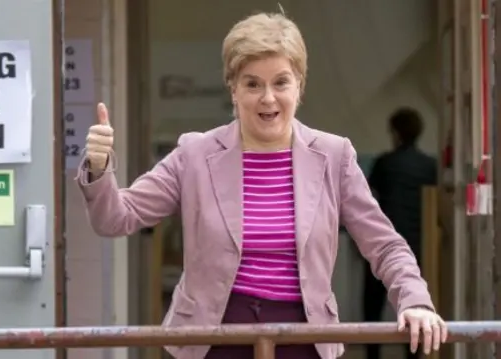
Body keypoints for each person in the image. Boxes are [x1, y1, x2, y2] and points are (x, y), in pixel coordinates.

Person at [78, 11, 447, 359]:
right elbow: (115, 219)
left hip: (304, 342)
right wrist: (98, 166)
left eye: (280, 82)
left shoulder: (335, 156)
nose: (267, 98)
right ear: (232, 89)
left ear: (299, 86)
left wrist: (414, 300)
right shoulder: (194, 153)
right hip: (211, 342)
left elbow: (384, 245)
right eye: (252, 83)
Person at [363, 108, 438, 359]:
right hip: (419, 242)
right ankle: (413, 354)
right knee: (413, 304)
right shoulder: (430, 167)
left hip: (382, 242)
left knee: (373, 306)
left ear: (395, 132)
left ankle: (373, 354)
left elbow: (369, 198)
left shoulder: (385, 164)